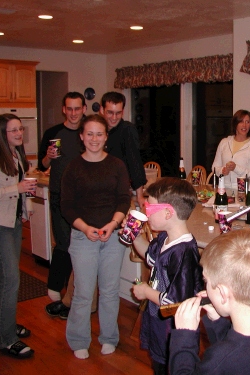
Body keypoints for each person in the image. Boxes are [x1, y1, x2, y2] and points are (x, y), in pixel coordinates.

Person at [169, 228, 250, 374]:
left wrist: (184, 338)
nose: (205, 287)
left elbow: (229, 358)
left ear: (222, 293)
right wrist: (217, 321)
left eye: (206, 281)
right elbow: (240, 351)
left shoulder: (219, 360)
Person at [60, 114, 131, 359]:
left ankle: (109, 337)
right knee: (83, 291)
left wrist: (113, 224)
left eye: (99, 134)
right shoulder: (73, 167)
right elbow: (66, 206)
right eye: (89, 133)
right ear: (81, 136)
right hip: (83, 237)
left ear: (106, 137)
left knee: (110, 290)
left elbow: (124, 199)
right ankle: (79, 340)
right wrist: (84, 228)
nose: (94, 138)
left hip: (112, 235)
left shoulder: (117, 165)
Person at [0, 113, 37, 359]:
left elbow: (22, 190)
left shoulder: (17, 156)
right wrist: (18, 188)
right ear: (2, 133)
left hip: (11, 223)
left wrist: (25, 208)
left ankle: (6, 327)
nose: (19, 134)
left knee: (8, 279)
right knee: (9, 279)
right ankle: (6, 340)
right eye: (13, 130)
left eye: (20, 129)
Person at [131, 177, 203, 375]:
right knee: (158, 364)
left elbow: (174, 301)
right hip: (157, 320)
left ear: (168, 212)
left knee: (169, 367)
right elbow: (150, 257)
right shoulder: (164, 236)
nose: (146, 212)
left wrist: (146, 291)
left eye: (150, 208)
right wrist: (135, 237)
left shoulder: (183, 252)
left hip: (173, 329)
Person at [38, 92, 86, 318]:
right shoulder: (52, 133)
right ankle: (55, 287)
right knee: (64, 243)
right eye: (70, 108)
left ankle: (74, 294)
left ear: (84, 109)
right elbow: (42, 163)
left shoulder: (89, 132)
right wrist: (48, 157)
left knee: (80, 245)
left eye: (78, 108)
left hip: (83, 197)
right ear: (63, 110)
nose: (74, 113)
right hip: (59, 195)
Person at [100, 91, 147, 208]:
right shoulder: (98, 130)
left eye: (118, 113)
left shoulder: (127, 130)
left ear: (123, 112)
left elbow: (134, 162)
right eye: (110, 112)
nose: (114, 117)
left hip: (120, 192)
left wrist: (139, 195)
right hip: (100, 190)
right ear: (102, 110)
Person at [211, 109, 250, 188]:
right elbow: (214, 168)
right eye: (241, 121)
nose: (244, 125)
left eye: (247, 122)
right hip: (224, 189)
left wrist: (236, 168)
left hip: (244, 192)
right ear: (235, 124)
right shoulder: (224, 142)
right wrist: (223, 171)